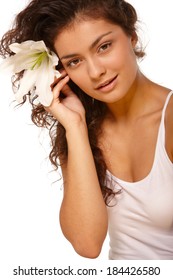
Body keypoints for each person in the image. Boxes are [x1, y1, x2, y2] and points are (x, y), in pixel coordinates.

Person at [0, 0, 173, 260]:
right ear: (60, 71)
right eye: (75, 61)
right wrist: (75, 126)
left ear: (132, 36)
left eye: (104, 47)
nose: (96, 72)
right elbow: (87, 244)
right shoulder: (83, 126)